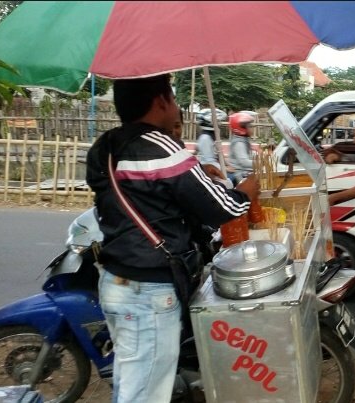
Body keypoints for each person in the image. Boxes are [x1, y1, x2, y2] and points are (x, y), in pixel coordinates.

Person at [86, 74, 259, 403]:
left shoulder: (105, 146)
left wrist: (194, 177)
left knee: (133, 383)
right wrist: (245, 192)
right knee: (145, 393)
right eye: (174, 98)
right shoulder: (160, 144)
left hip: (116, 281)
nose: (177, 108)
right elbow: (222, 207)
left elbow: (143, 197)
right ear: (161, 100)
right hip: (148, 292)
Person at [195, 112, 227, 182]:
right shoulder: (205, 138)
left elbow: (219, 155)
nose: (219, 124)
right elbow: (209, 162)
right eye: (217, 121)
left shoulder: (212, 137)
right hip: (209, 172)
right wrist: (224, 168)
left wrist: (226, 164)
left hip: (216, 167)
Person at [227, 112, 256, 183]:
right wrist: (260, 163)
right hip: (239, 176)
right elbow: (244, 162)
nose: (252, 128)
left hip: (243, 172)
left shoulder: (243, 139)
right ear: (242, 129)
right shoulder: (239, 143)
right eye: (250, 126)